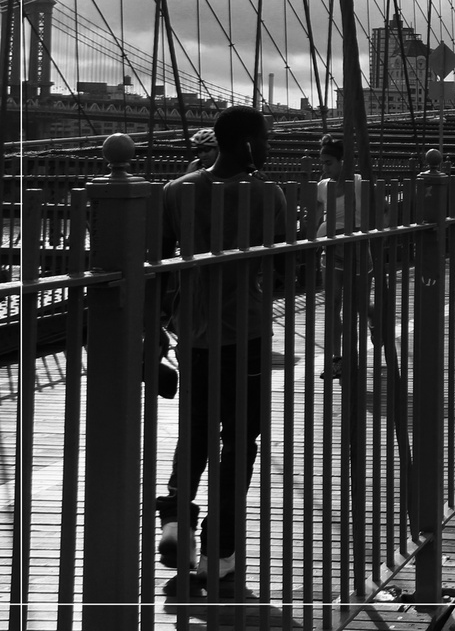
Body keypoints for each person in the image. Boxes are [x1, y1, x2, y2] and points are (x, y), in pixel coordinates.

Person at [157, 106, 287, 599]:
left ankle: (176, 514)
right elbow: (282, 266)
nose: (270, 145)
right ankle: (219, 549)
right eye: (266, 137)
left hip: (192, 333)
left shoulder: (176, 192)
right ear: (249, 144)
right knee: (239, 440)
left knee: (194, 428)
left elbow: (159, 261)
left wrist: (159, 334)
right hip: (246, 334)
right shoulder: (266, 194)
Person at [306, 134, 361, 379]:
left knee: (356, 305)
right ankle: (338, 359)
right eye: (322, 163)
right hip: (330, 249)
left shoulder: (360, 183)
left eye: (329, 163)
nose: (324, 168)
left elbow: (384, 210)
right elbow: (315, 214)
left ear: (342, 162)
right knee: (333, 305)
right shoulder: (322, 186)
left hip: (357, 248)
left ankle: (372, 322)